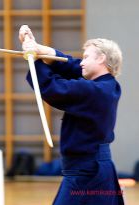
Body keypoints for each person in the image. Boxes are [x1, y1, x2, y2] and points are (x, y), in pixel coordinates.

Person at [19, 25, 124, 204]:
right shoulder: (108, 84)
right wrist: (36, 47)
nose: (81, 62)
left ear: (101, 59)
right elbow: (69, 64)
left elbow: (55, 89)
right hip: (92, 167)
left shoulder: (95, 90)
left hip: (87, 170)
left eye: (86, 57)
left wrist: (34, 59)